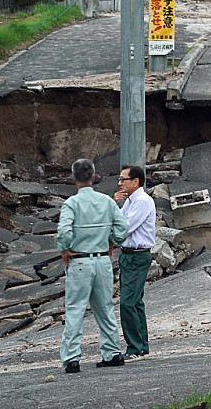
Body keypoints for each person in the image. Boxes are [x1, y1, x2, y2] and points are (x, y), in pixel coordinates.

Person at [57, 159, 129, 373]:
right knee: (105, 308)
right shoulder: (107, 201)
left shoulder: (71, 204)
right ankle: (113, 352)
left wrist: (65, 248)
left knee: (75, 310)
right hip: (102, 261)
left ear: (73, 178)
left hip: (80, 261)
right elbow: (123, 227)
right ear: (94, 177)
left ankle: (72, 358)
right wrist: (112, 240)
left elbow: (64, 232)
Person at [113, 164, 156, 362]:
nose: (120, 183)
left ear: (136, 181)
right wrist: (114, 204)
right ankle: (142, 346)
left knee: (127, 302)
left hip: (137, 256)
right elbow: (119, 220)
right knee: (136, 302)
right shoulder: (130, 201)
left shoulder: (142, 201)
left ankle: (134, 348)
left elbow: (124, 227)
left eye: (123, 179)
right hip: (128, 255)